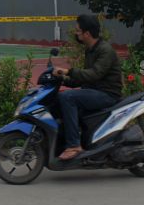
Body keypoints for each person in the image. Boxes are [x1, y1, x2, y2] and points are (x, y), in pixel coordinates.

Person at [52, 14, 123, 160]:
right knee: (59, 99)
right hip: (94, 91)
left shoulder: (105, 50)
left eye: (78, 31)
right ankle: (63, 142)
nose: (76, 33)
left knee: (68, 98)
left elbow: (93, 74)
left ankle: (74, 146)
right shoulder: (91, 49)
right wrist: (61, 80)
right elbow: (83, 79)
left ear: (87, 33)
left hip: (107, 95)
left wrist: (68, 71)